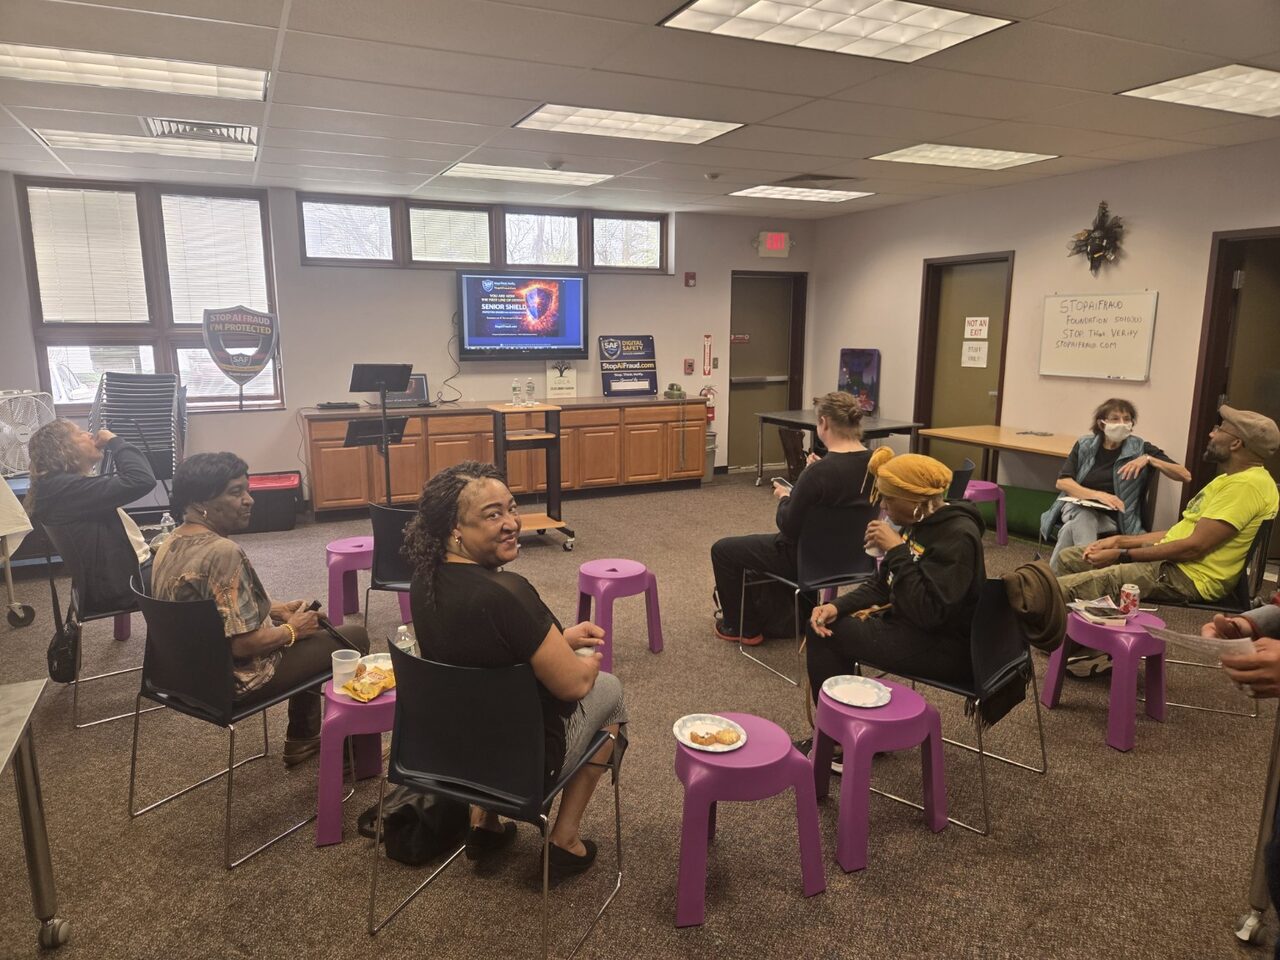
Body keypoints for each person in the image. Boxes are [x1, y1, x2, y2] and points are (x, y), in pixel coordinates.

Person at [404, 461, 625, 881]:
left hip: (446, 755)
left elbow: (483, 650)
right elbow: (573, 686)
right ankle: (564, 840)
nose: (511, 523)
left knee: (492, 699)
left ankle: (484, 824)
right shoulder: (507, 593)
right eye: (492, 515)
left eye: (512, 508)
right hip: (519, 766)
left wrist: (560, 639)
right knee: (610, 692)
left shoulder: (424, 579)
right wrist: (587, 661)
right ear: (455, 528)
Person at [150, 452, 369, 766]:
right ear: (202, 502)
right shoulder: (222, 552)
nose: (249, 500)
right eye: (236, 492)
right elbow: (241, 645)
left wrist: (276, 610)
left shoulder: (169, 542)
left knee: (308, 633)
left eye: (247, 490)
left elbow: (211, 609)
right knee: (352, 637)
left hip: (183, 677)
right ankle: (352, 756)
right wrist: (292, 630)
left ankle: (303, 739)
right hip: (230, 680)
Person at [805, 450, 986, 701]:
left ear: (915, 501)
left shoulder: (958, 536)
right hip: (912, 624)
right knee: (827, 621)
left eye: (888, 499)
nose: (882, 506)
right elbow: (883, 585)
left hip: (946, 646)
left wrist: (897, 551)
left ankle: (832, 734)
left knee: (828, 637)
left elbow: (930, 613)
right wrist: (836, 605)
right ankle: (843, 725)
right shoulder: (920, 522)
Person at [1056, 406, 1279, 606]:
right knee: (1070, 558)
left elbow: (1193, 547)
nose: (1212, 433)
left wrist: (1122, 554)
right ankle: (1077, 633)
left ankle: (1080, 639)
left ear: (1236, 443)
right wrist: (1119, 540)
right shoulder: (1228, 480)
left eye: (1219, 429)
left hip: (1187, 576)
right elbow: (1179, 533)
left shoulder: (1246, 486)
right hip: (1173, 563)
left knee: (1066, 587)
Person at [710, 391, 873, 643]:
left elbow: (788, 527)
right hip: (857, 558)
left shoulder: (819, 473)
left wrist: (787, 496)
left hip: (806, 560)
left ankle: (741, 627)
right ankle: (800, 616)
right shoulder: (876, 464)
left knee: (723, 550)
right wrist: (808, 478)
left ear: (824, 423)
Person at [1040, 398, 1190, 573]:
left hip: (1113, 519)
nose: (1122, 423)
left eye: (1127, 419)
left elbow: (1185, 475)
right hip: (1075, 507)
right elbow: (1063, 482)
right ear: (1102, 423)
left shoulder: (1140, 447)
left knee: (1070, 529)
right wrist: (1097, 495)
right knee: (1084, 515)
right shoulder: (1085, 445)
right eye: (1115, 419)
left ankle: (1051, 580)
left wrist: (1149, 459)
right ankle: (1089, 576)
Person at [24, 419, 156, 613]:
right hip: (126, 583)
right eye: (80, 433)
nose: (89, 435)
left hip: (113, 576)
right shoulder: (68, 490)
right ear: (63, 448)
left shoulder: (56, 487)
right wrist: (115, 441)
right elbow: (141, 479)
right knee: (205, 572)